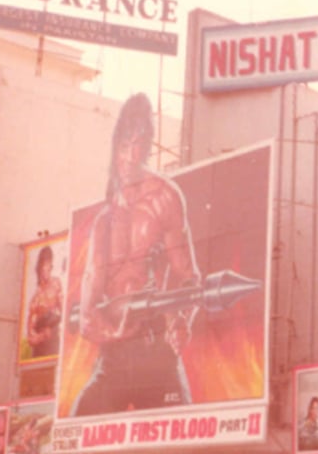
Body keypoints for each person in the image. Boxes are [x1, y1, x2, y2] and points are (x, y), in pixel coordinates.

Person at [72, 93, 201, 416]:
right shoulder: (103, 221)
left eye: (139, 143)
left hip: (156, 348)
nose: (131, 155)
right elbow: (87, 313)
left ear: (148, 146)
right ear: (114, 148)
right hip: (113, 357)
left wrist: (182, 321)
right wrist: (114, 331)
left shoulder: (165, 197)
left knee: (183, 442)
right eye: (124, 145)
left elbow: (189, 277)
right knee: (74, 436)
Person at [25, 244, 64, 358]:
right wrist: (42, 336)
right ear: (39, 269)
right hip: (41, 350)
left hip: (54, 344)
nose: (46, 271)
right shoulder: (36, 300)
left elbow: (64, 311)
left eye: (49, 266)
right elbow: (30, 339)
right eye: (43, 267)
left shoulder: (56, 284)